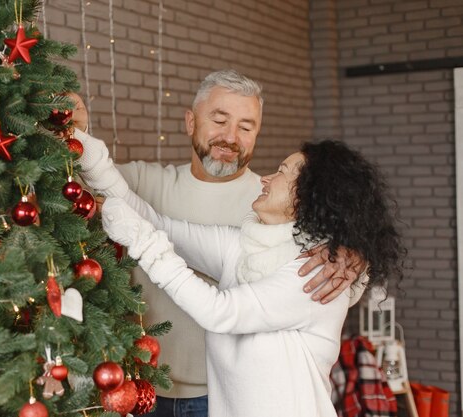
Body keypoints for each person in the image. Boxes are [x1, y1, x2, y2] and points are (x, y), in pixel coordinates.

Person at [68, 70, 363, 417]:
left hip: (213, 397)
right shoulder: (243, 232)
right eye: (220, 120)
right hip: (149, 387)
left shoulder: (288, 231)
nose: (230, 137)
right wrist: (77, 137)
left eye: (246, 127)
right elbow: (132, 211)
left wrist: (357, 258)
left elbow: (223, 309)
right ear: (190, 122)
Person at [98, 140, 405, 417]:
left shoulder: (318, 273)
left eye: (283, 172)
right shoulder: (243, 246)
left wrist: (144, 243)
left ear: (312, 194)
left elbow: (220, 312)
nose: (267, 179)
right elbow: (159, 224)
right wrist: (89, 158)